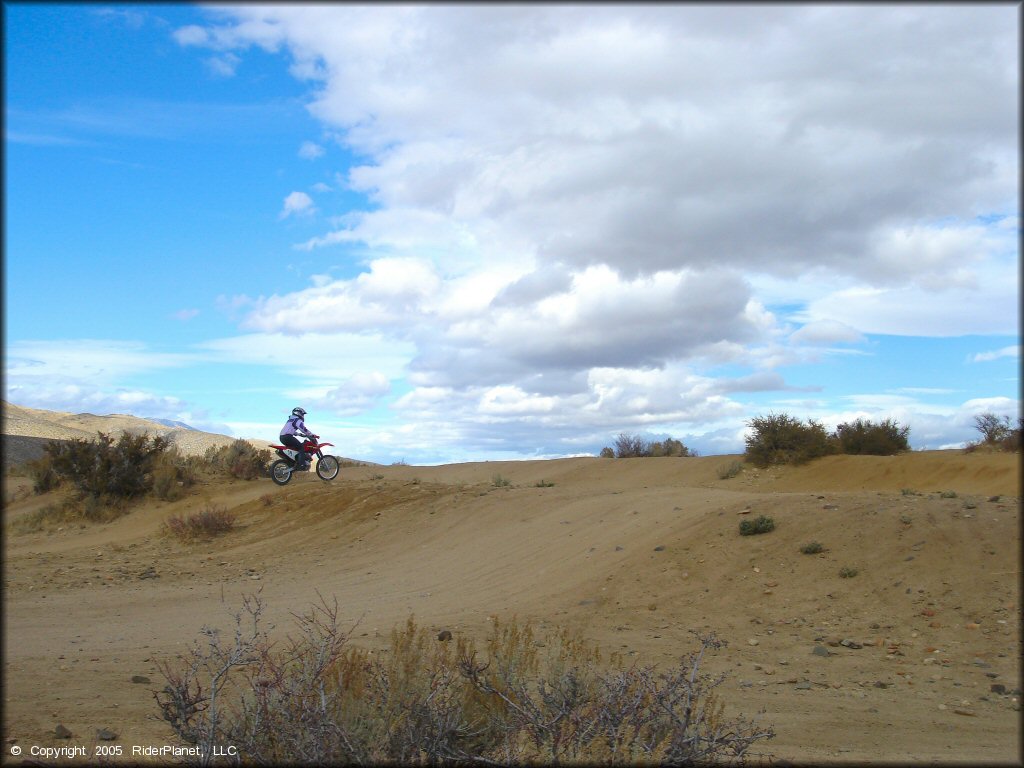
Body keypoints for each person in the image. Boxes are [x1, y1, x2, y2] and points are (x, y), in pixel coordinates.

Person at [280, 406, 316, 471]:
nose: (303, 416)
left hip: (282, 437)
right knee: (301, 447)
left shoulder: (291, 420)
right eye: (302, 414)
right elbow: (303, 429)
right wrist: (311, 434)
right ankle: (301, 465)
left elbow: (290, 430)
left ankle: (293, 463)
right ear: (298, 413)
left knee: (295, 449)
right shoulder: (297, 420)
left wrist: (299, 434)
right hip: (287, 437)